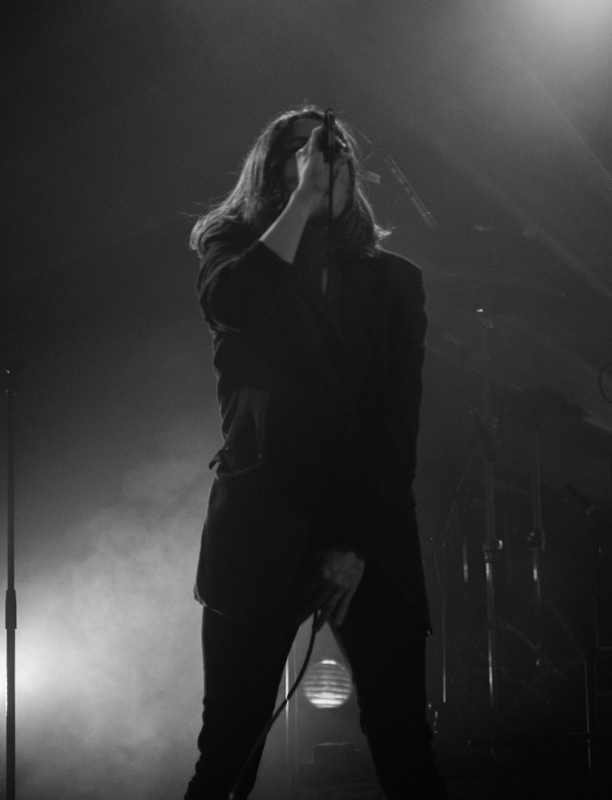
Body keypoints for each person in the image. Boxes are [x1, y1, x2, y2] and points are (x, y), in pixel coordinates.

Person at [183, 105, 446, 800]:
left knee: (403, 742)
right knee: (229, 747)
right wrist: (301, 204)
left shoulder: (395, 282)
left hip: (368, 533)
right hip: (263, 525)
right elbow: (232, 304)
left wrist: (354, 541)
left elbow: (396, 425)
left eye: (335, 151)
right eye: (304, 150)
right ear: (274, 169)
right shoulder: (233, 251)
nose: (325, 160)